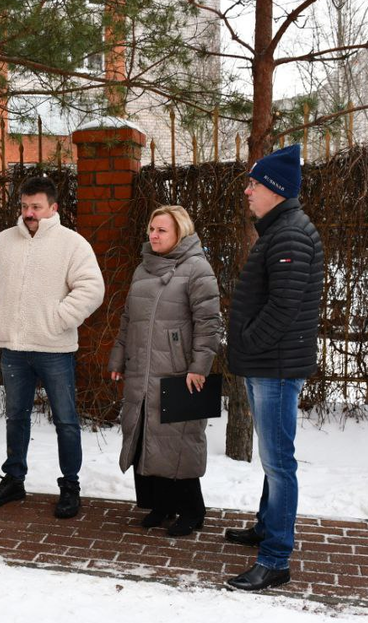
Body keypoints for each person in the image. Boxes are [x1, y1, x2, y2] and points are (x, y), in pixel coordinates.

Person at [0, 175, 105, 518]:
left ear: (53, 208)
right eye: (24, 206)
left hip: (55, 349)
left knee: (66, 420)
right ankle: (14, 479)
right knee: (16, 418)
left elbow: (91, 288)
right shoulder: (2, 242)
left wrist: (58, 319)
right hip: (13, 347)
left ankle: (70, 485)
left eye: (36, 207)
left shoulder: (72, 244)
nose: (29, 213)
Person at [225, 144, 324, 591]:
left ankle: (276, 557)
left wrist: (248, 342)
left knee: (279, 462)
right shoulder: (281, 229)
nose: (247, 190)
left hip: (276, 367)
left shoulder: (288, 234)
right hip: (270, 363)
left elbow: (283, 307)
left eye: (254, 183)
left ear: (276, 189)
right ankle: (267, 527)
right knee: (273, 460)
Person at [107, 206, 221, 536]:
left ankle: (192, 510)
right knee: (147, 437)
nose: (154, 236)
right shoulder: (143, 269)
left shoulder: (198, 268)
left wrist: (199, 366)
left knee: (180, 441)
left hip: (179, 371)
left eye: (162, 231)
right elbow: (129, 320)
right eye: (151, 229)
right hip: (142, 370)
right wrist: (118, 358)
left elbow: (209, 324)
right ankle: (162, 504)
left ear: (180, 234)